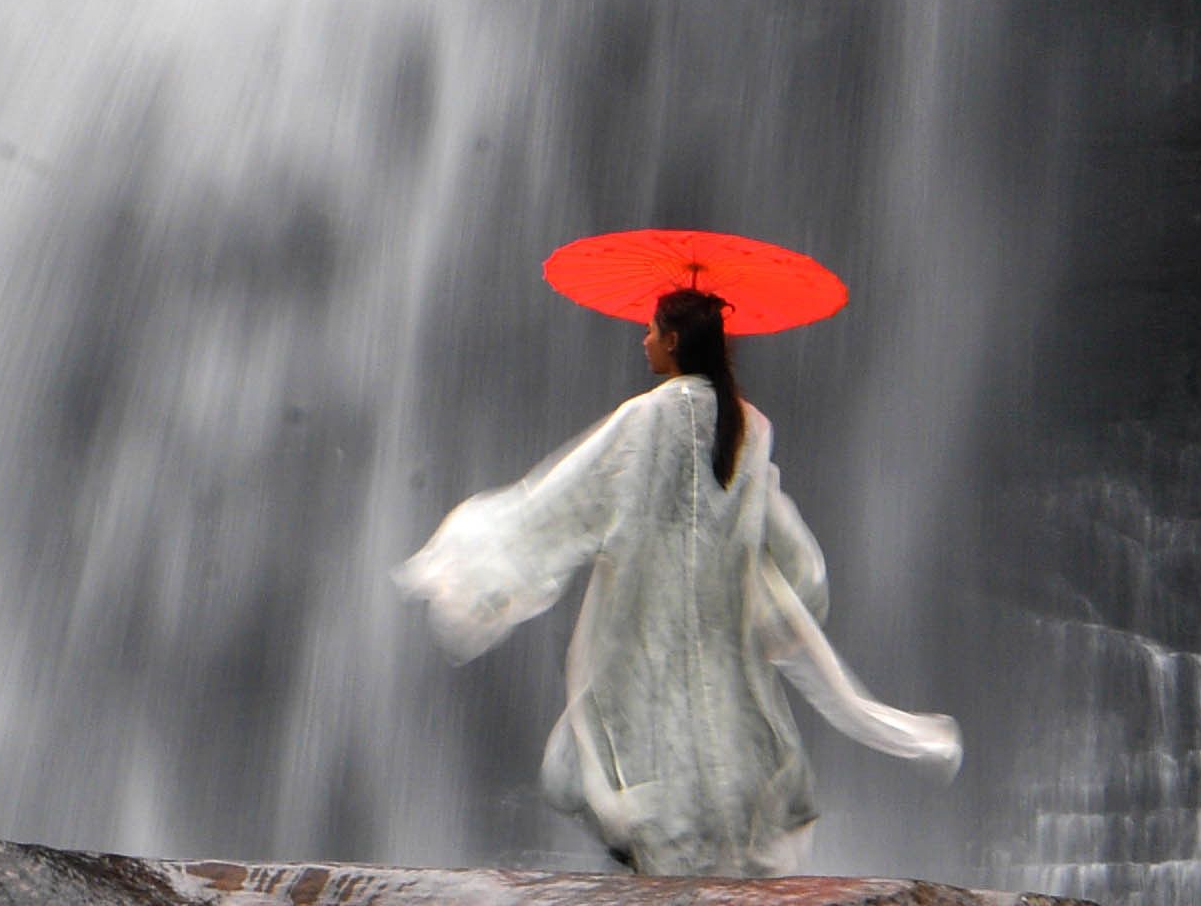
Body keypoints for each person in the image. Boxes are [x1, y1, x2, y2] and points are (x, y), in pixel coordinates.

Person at [394, 282, 959, 874]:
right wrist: (790, 597)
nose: (642, 342)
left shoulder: (644, 419)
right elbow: (785, 541)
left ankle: (653, 872)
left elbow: (568, 502)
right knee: (724, 757)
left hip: (644, 627)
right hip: (722, 633)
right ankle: (703, 881)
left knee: (594, 761)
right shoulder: (751, 427)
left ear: (673, 338)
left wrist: (482, 564)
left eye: (650, 329)